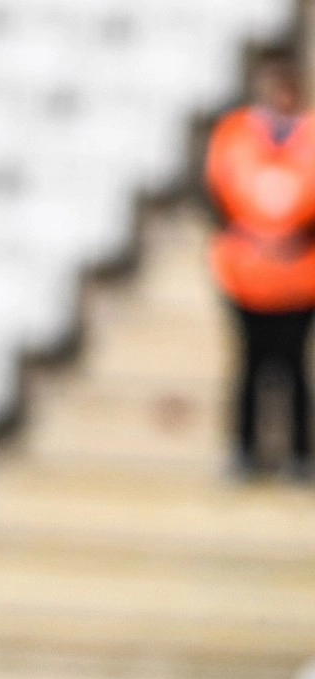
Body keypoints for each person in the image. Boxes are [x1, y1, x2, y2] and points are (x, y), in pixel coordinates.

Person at [205, 47, 315, 479]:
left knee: (294, 367)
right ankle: (245, 450)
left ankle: (300, 453)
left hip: (301, 276)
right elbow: (214, 195)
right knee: (250, 365)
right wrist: (252, 237)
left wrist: (295, 236)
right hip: (245, 275)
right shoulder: (234, 133)